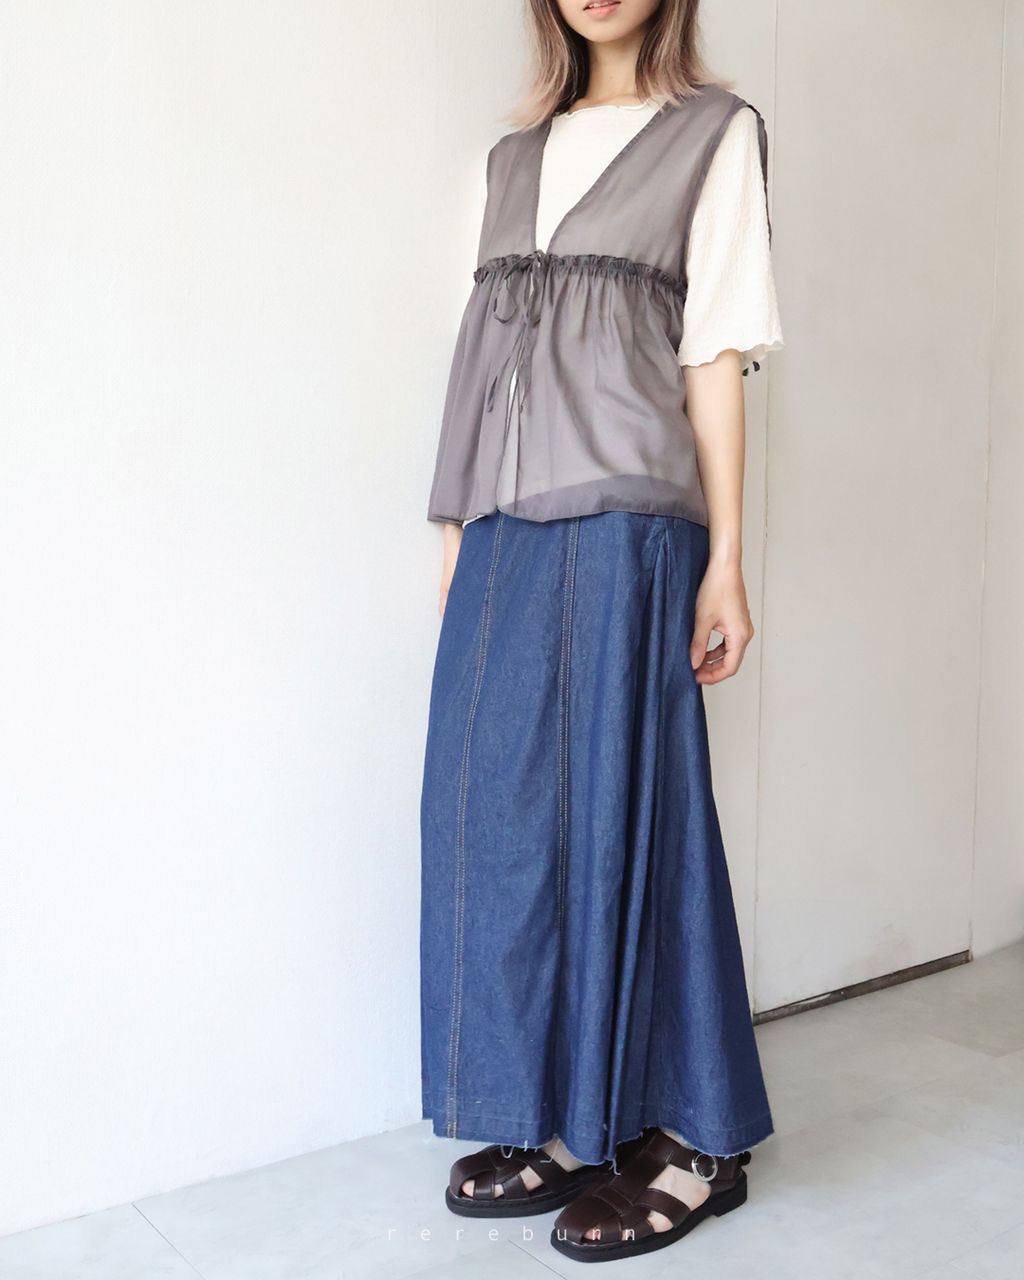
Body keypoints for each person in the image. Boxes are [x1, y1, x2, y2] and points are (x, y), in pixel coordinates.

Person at [419, 0, 783, 1263]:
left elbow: (712, 354)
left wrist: (724, 561)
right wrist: (457, 532)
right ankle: (564, 1112)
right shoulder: (512, 158)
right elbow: (480, 362)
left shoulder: (713, 133)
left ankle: (697, 1136)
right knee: (495, 818)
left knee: (637, 812)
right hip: (501, 525)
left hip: (629, 520)